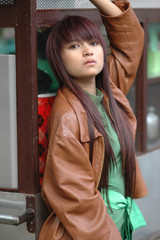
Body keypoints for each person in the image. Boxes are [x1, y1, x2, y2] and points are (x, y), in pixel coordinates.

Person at [38, 0, 148, 239]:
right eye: (74, 46)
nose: (88, 50)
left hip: (114, 222)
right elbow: (77, 199)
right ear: (59, 58)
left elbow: (131, 43)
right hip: (91, 231)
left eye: (94, 42)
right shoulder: (68, 116)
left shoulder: (109, 92)